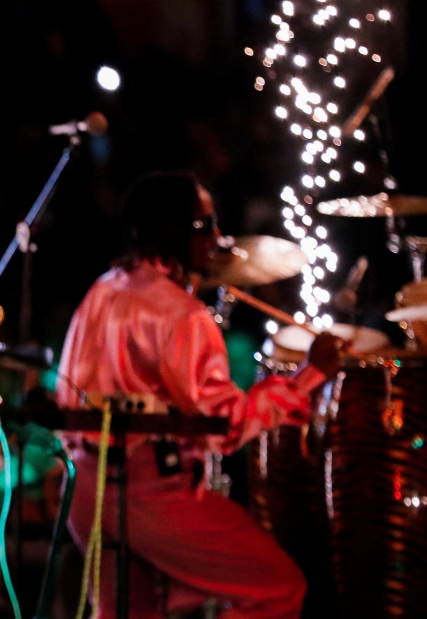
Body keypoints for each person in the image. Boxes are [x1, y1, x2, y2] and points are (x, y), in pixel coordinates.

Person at [56, 171, 343, 619]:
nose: (217, 237)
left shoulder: (103, 289)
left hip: (83, 493)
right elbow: (222, 428)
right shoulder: (182, 315)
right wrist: (310, 376)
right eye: (205, 226)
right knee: (278, 588)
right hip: (149, 496)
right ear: (175, 233)